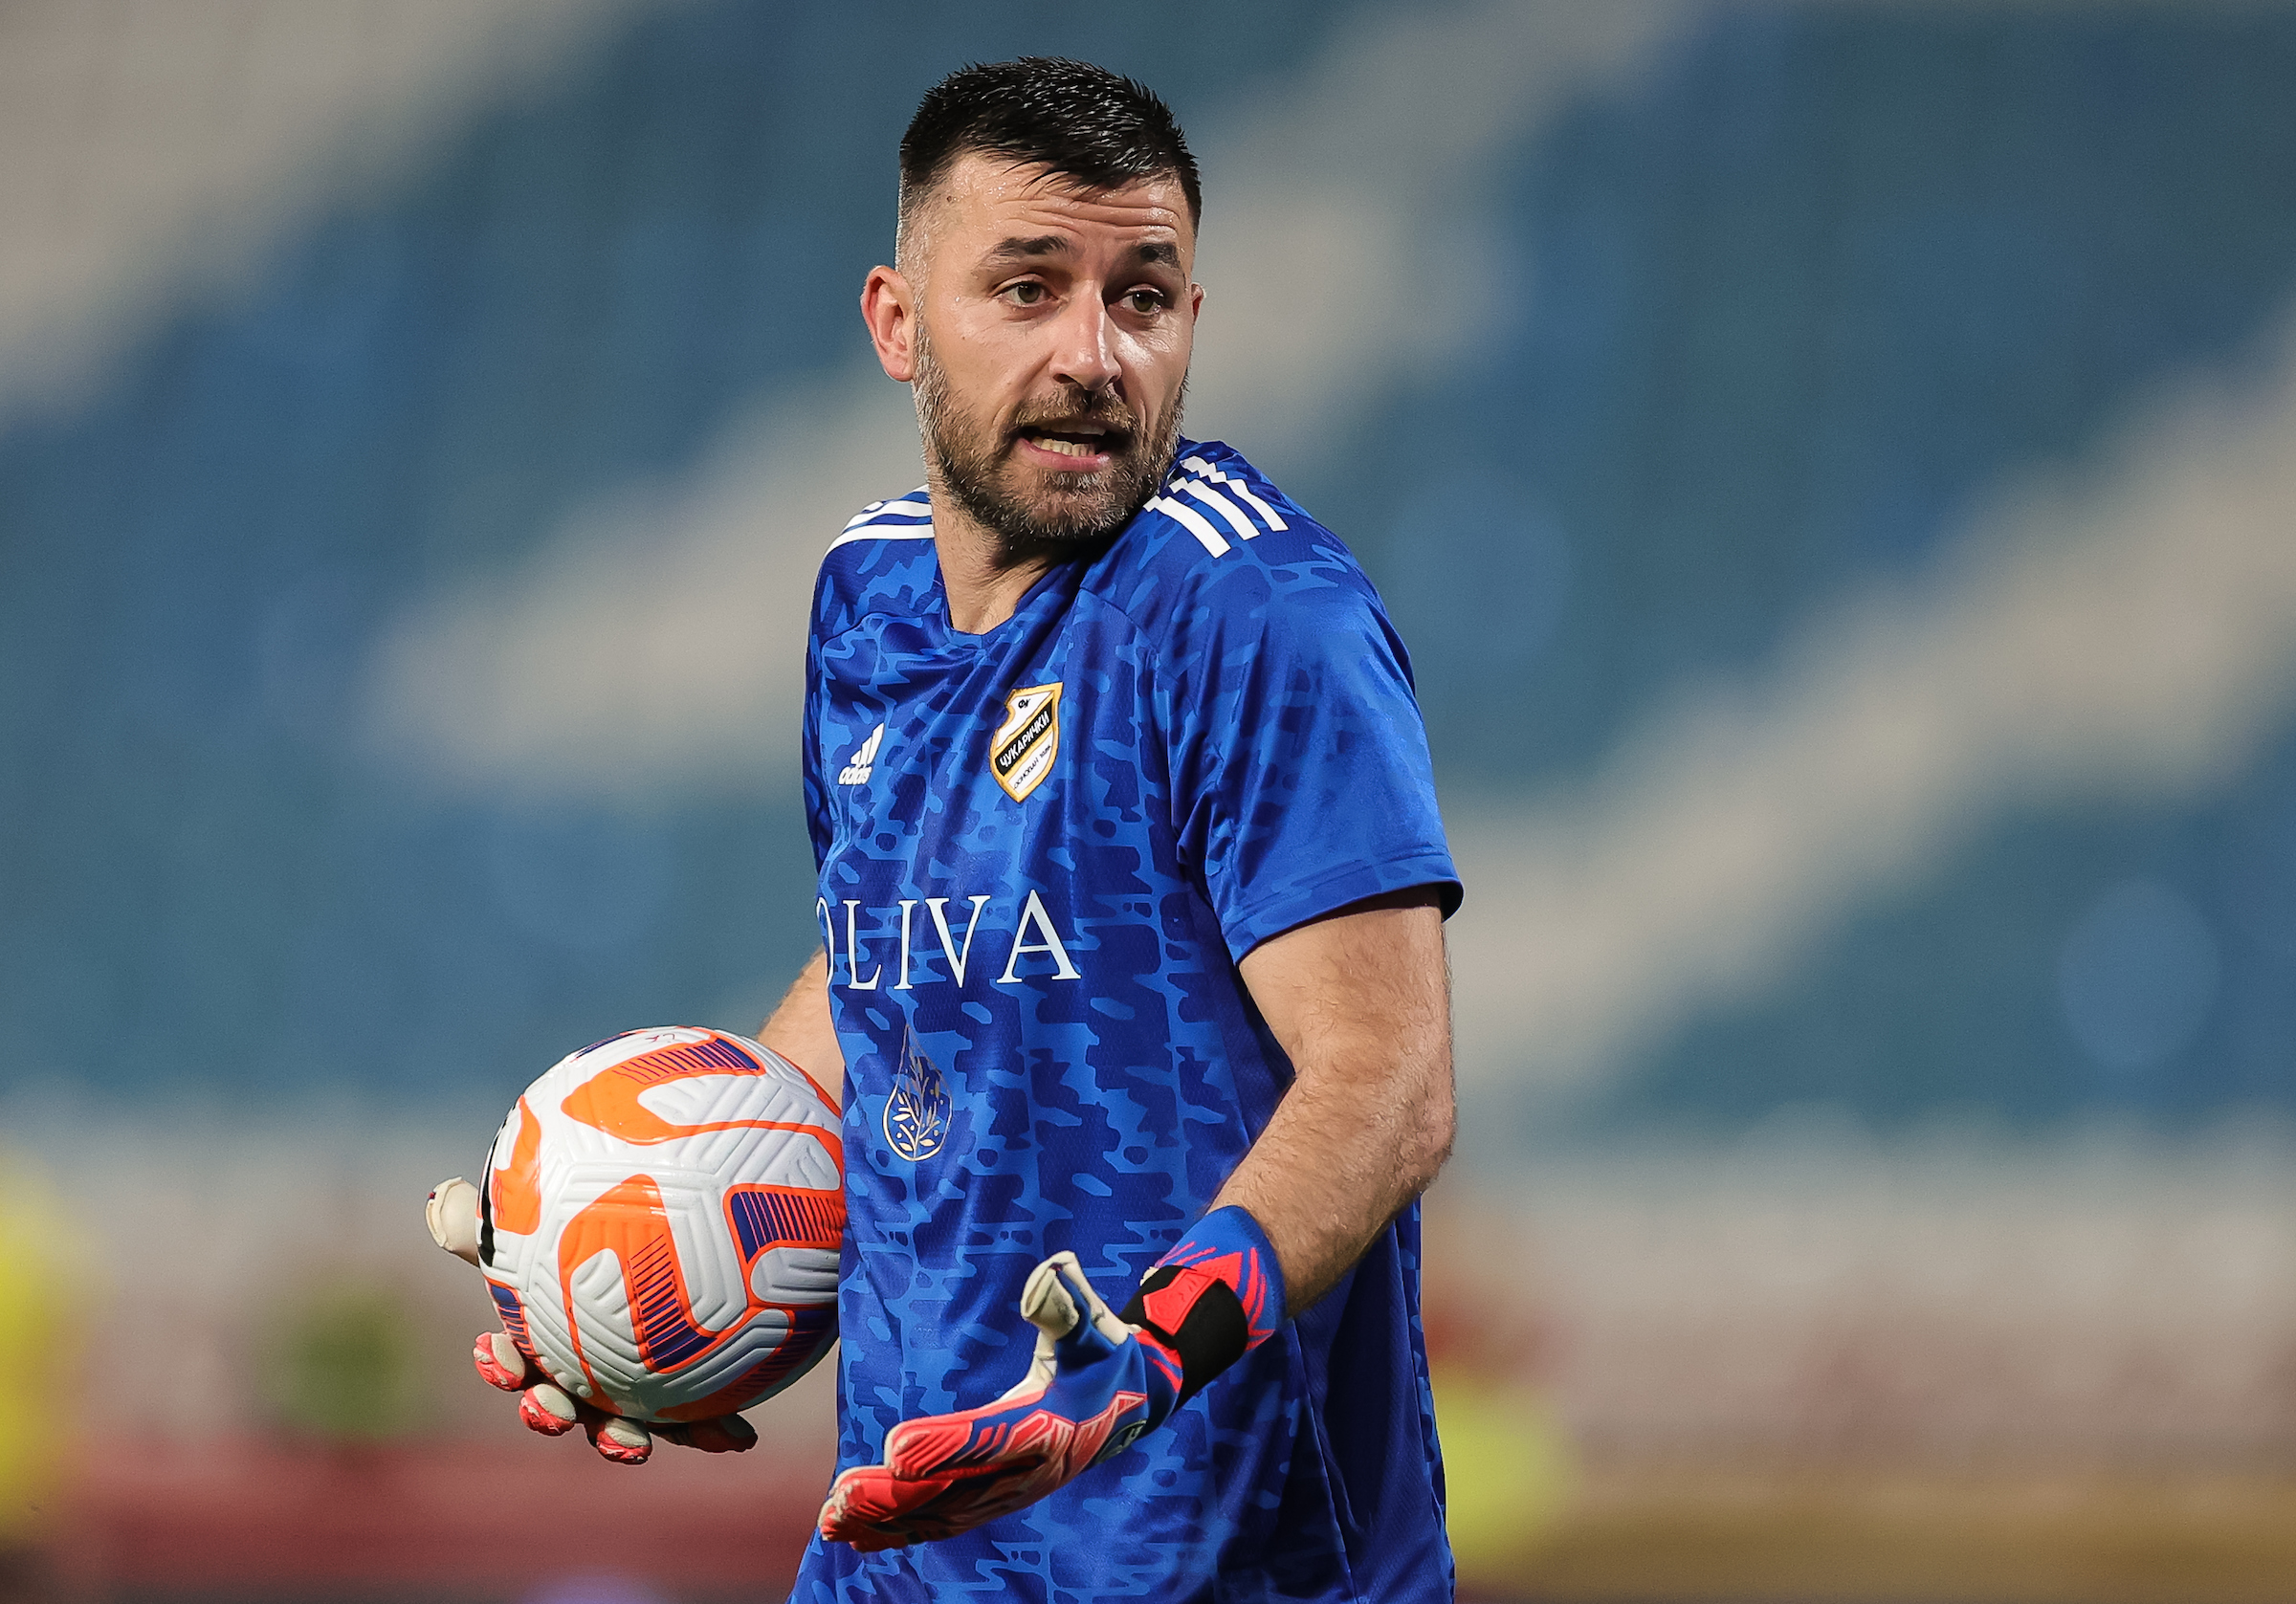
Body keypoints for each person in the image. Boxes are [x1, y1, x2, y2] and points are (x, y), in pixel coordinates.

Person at [444, 56, 1463, 1600]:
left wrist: (1137, 1362)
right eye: (1029, 288)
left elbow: (1388, 1080)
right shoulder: (861, 598)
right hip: (906, 1547)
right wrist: (644, 1257)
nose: (1095, 354)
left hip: (1215, 1564)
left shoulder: (1256, 617)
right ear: (897, 323)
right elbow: (894, 957)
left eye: (1145, 295)